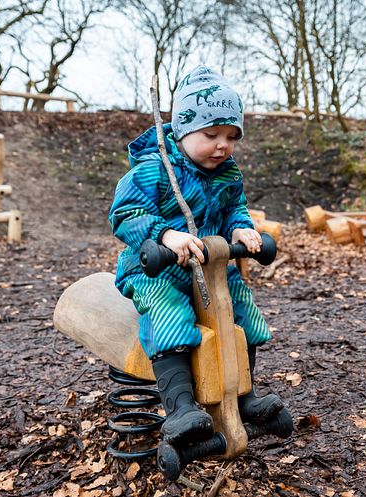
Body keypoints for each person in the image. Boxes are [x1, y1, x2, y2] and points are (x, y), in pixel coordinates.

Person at [109, 65, 283, 446]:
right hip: (156, 270)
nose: (223, 145)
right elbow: (124, 214)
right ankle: (181, 408)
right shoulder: (153, 169)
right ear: (184, 130)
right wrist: (165, 234)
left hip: (213, 266)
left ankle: (243, 395)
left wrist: (241, 227)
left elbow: (234, 205)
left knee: (243, 316)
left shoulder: (227, 172)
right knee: (169, 314)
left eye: (231, 136)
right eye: (211, 134)